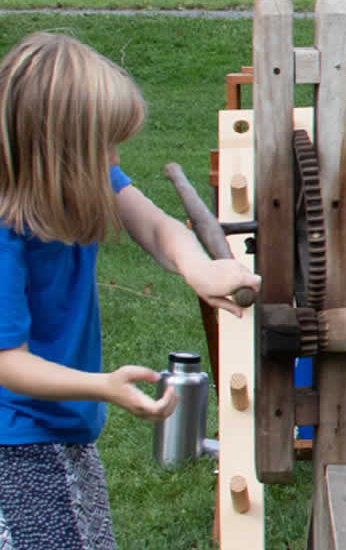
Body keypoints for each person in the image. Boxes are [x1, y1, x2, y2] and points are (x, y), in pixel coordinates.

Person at [0, 32, 260, 549]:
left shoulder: (86, 175)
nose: (115, 158)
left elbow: (156, 226)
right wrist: (102, 386)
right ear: (57, 151)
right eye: (106, 144)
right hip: (19, 443)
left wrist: (197, 269)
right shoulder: (6, 233)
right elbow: (7, 361)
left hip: (57, 430)